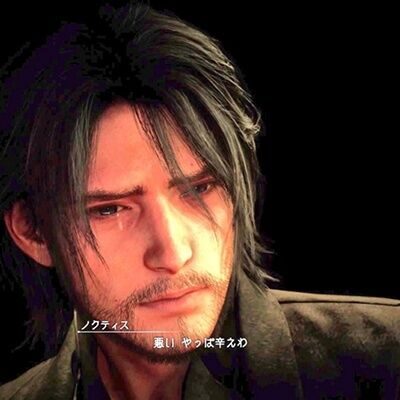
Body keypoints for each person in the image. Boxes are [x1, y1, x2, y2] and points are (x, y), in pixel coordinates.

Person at [0, 2, 399, 399]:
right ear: (34, 232)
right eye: (109, 209)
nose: (173, 254)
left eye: (199, 189)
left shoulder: (385, 360)